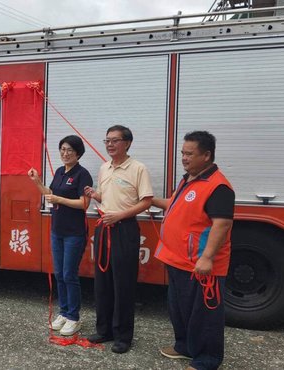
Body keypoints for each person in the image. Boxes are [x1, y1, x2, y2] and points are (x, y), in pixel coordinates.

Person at [153, 131, 234, 370]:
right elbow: (176, 204)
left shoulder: (218, 187)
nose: (184, 158)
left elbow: (222, 223)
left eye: (189, 154)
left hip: (200, 265)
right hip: (178, 260)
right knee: (179, 310)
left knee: (204, 316)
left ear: (206, 155)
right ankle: (185, 347)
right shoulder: (190, 179)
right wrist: (150, 200)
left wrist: (207, 257)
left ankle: (206, 360)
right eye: (182, 153)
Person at [83, 125, 153, 354]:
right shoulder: (104, 168)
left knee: (123, 284)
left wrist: (120, 215)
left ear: (128, 143)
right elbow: (107, 197)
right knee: (102, 282)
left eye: (115, 140)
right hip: (104, 227)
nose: (110, 145)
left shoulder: (138, 168)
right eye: (107, 141)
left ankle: (123, 336)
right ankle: (104, 331)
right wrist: (95, 195)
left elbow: (146, 201)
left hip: (124, 229)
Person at [28, 135, 93, 336]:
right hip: (57, 231)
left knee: (69, 274)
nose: (65, 153)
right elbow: (50, 193)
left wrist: (59, 199)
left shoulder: (83, 174)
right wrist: (37, 181)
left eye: (70, 150)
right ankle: (64, 312)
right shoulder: (59, 172)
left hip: (75, 233)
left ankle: (74, 317)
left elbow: (84, 203)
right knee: (59, 274)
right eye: (63, 149)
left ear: (78, 153)